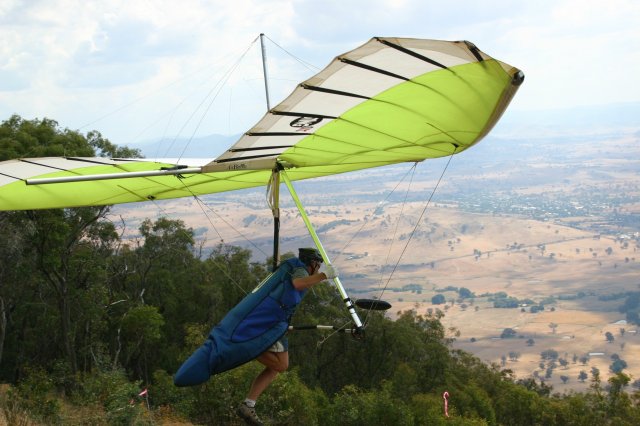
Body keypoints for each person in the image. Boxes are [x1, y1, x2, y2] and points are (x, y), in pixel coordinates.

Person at [236, 247, 337, 426]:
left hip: (277, 321)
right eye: (318, 265)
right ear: (313, 263)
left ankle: (248, 404)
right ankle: (248, 348)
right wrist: (324, 276)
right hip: (272, 322)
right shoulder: (300, 270)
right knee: (282, 365)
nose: (319, 269)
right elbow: (298, 283)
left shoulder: (296, 269)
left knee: (275, 367)